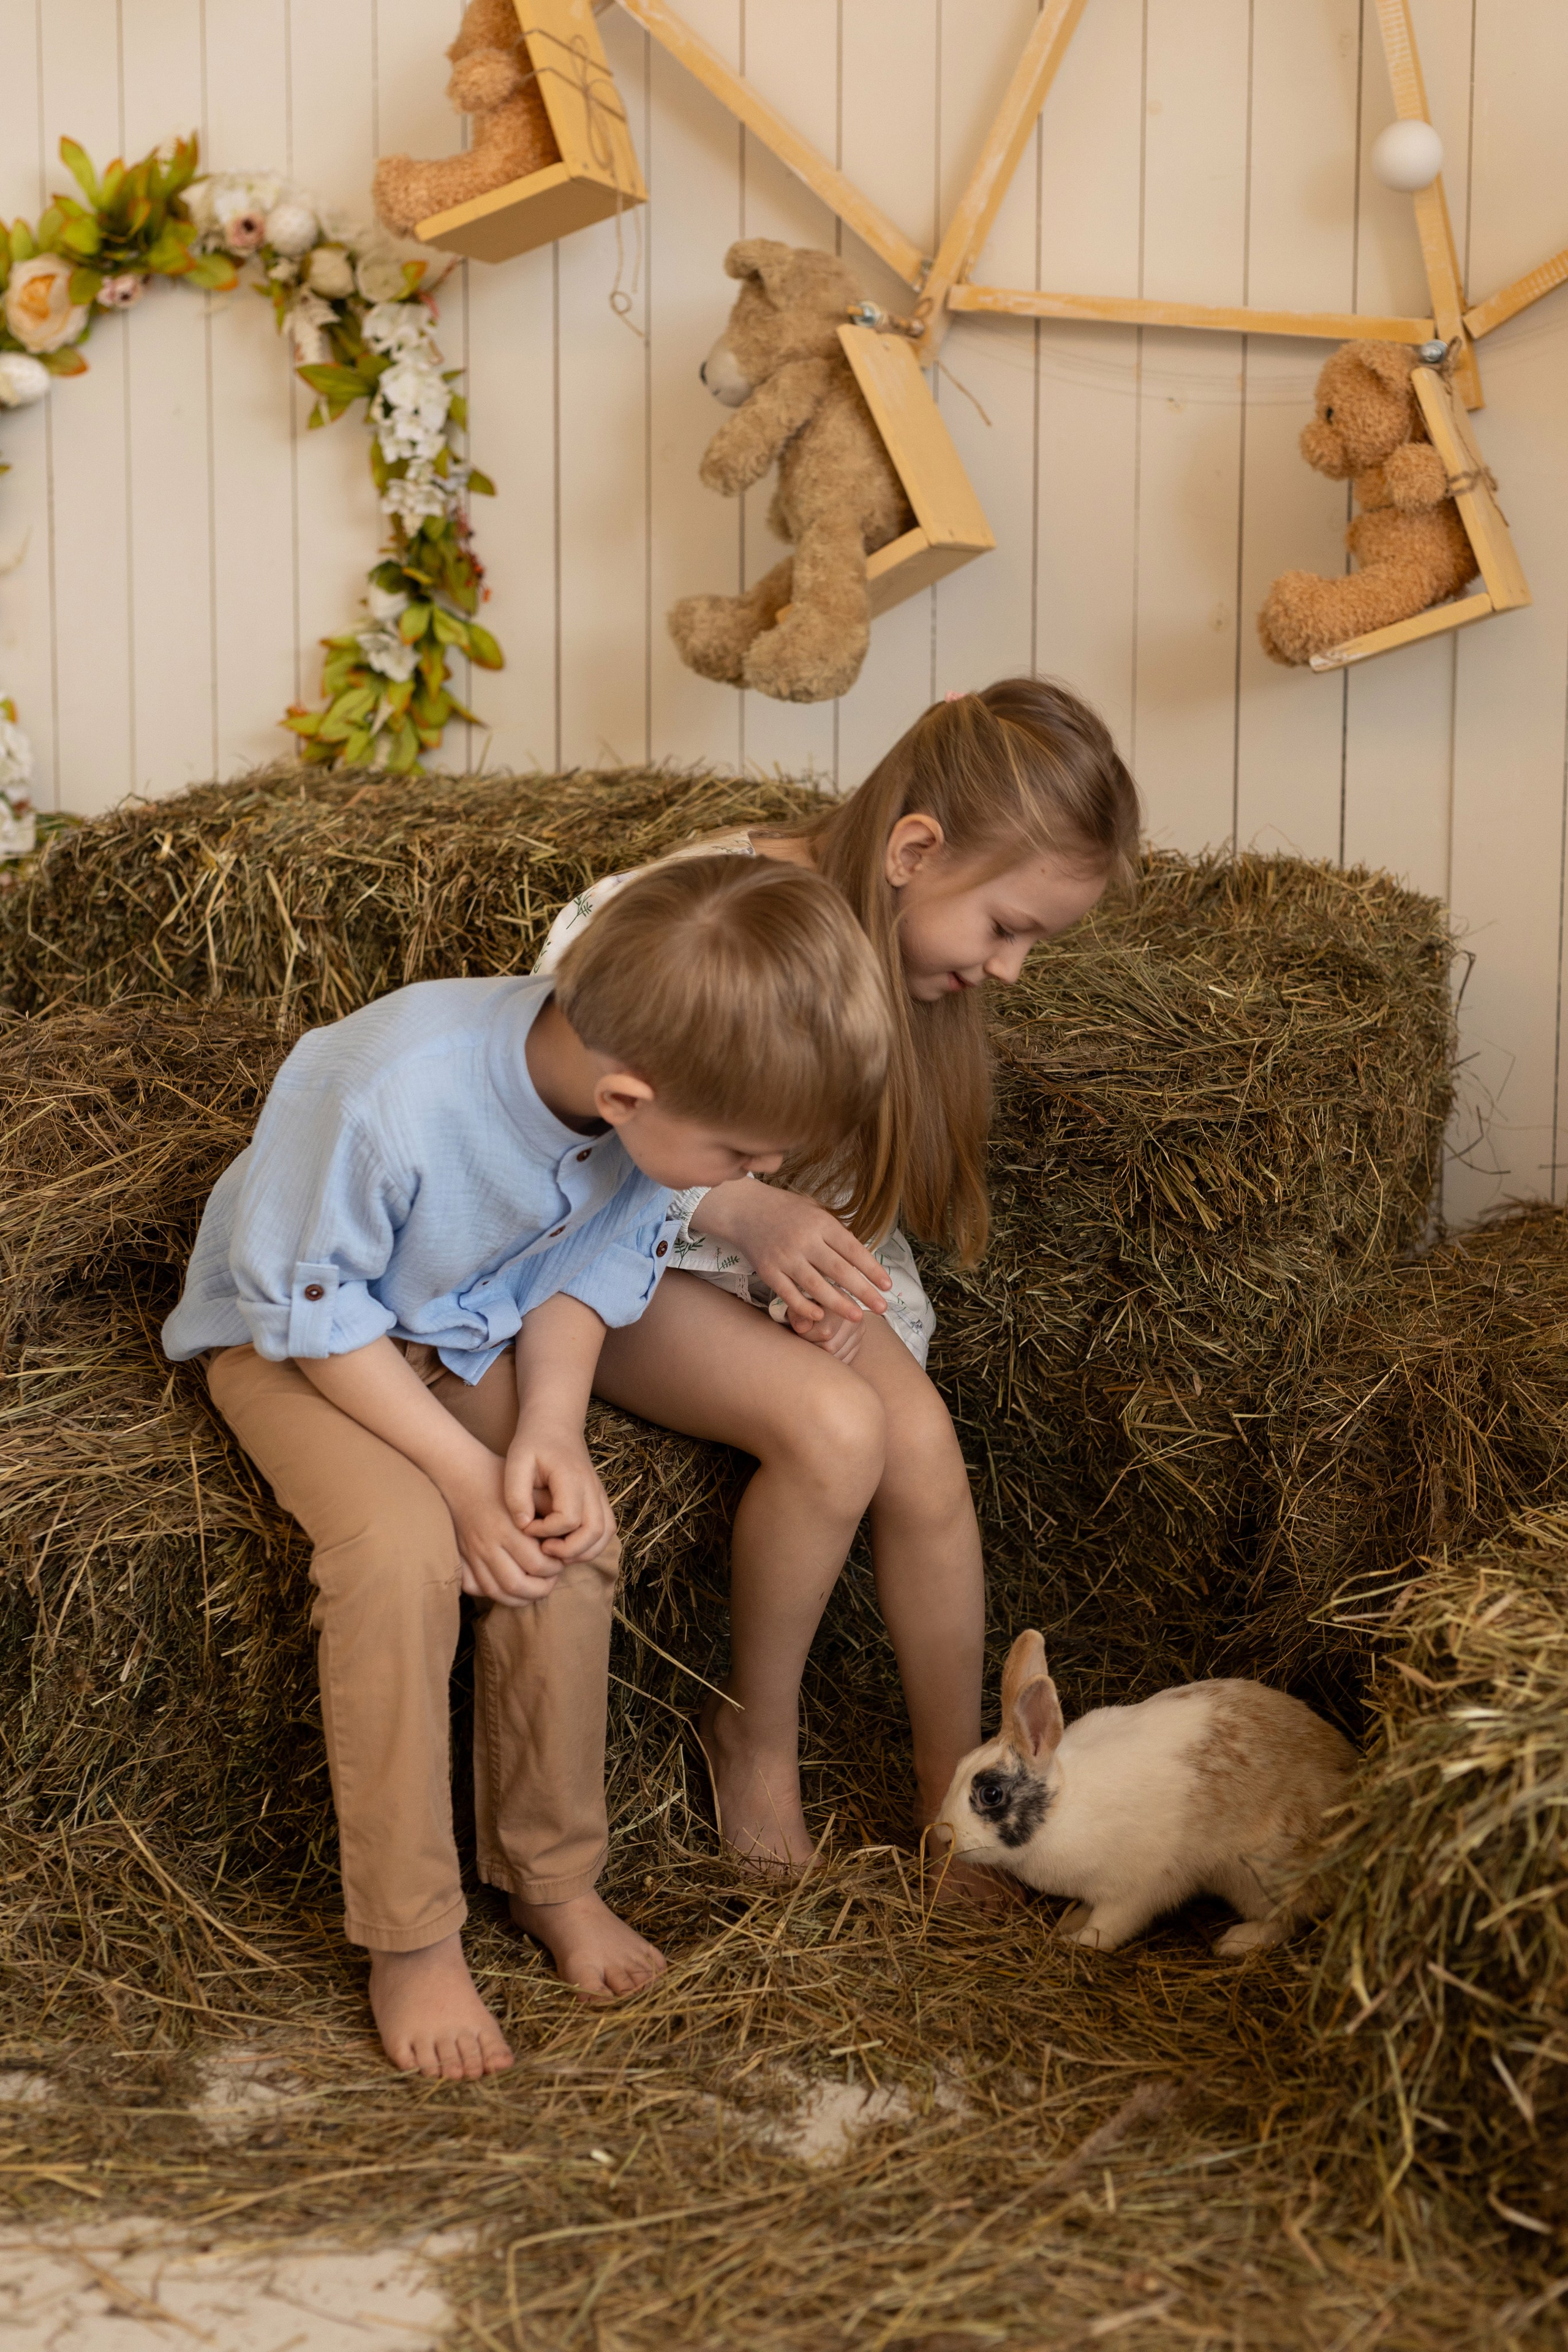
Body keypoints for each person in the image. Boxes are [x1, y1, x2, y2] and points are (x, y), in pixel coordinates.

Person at [162, 856, 892, 2081]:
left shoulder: (634, 1113)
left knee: (566, 1533)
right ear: (624, 1094)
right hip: (299, 1343)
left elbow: (579, 1277)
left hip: (461, 1331)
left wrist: (548, 1428)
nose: (742, 1182)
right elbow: (314, 1303)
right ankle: (410, 1936)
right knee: (395, 1554)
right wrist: (456, 1474)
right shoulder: (385, 1086)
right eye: (736, 1156)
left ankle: (550, 1878)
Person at [537, 679, 1142, 1885]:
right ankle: (754, 1739)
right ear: (915, 851)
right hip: (623, 1248)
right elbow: (557, 1118)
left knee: (920, 1451)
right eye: (1005, 928)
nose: (1012, 970)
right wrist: (741, 1206)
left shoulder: (913, 963)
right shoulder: (697, 912)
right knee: (832, 1427)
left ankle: (955, 1791)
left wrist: (794, 1240)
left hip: (774, 1258)